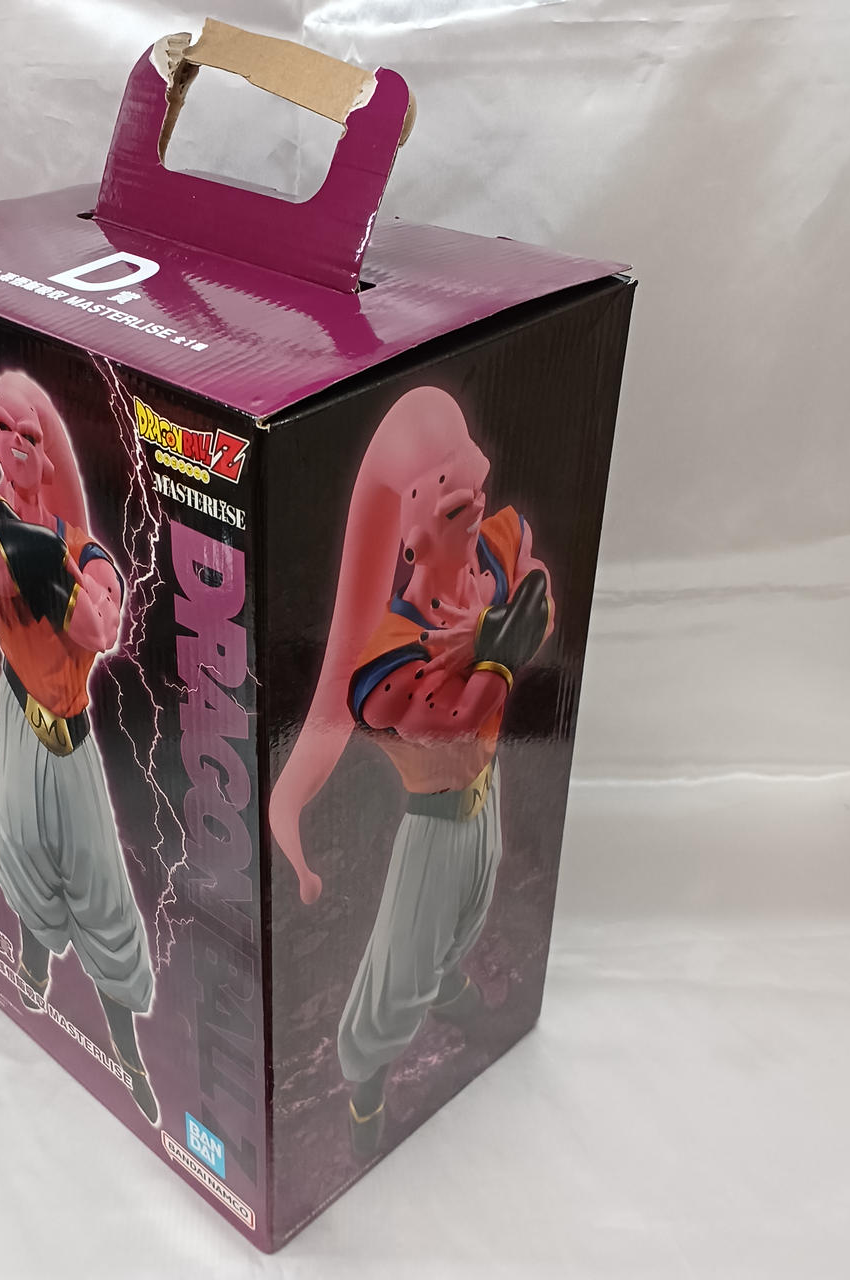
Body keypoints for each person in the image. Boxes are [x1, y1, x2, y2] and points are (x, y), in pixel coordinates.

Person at [269, 386, 552, 1157]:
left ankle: (453, 995)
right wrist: (496, 652)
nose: (478, 506)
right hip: (434, 829)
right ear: (413, 538)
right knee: (395, 980)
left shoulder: (493, 552)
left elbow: (539, 601)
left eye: (475, 486)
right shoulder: (388, 655)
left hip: (485, 800)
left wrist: (494, 639)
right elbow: (449, 725)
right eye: (455, 505)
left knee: (468, 921)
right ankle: (365, 1098)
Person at [0, 370, 159, 1125]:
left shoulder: (84, 552)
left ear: (47, 455)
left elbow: (99, 629)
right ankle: (32, 971)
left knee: (101, 894)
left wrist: (33, 549)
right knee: (17, 847)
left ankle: (129, 1058)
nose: (13, 442)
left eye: (29, 433)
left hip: (72, 744)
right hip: (19, 721)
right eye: (1, 426)